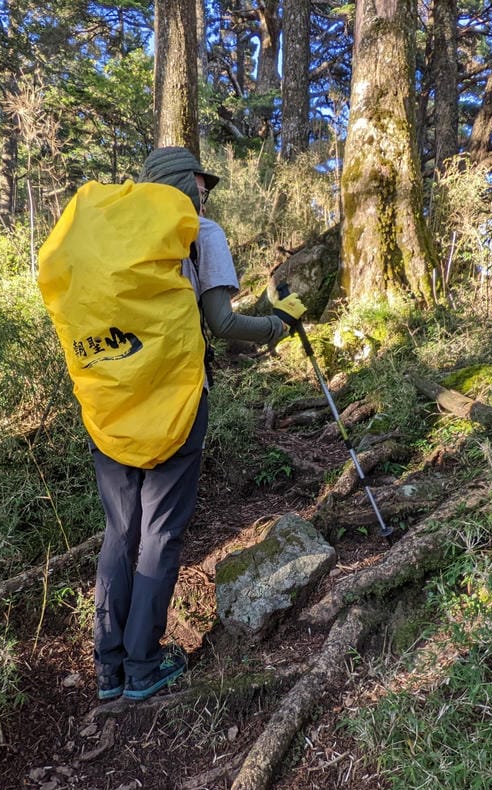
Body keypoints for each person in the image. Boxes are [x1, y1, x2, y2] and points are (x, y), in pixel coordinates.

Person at [93, 146, 306, 701]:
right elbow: (223, 323)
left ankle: (108, 668)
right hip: (176, 400)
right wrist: (279, 325)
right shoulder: (199, 229)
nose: (206, 191)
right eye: (200, 182)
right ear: (187, 183)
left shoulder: (107, 235)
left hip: (111, 400)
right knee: (159, 529)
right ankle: (143, 667)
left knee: (120, 530)